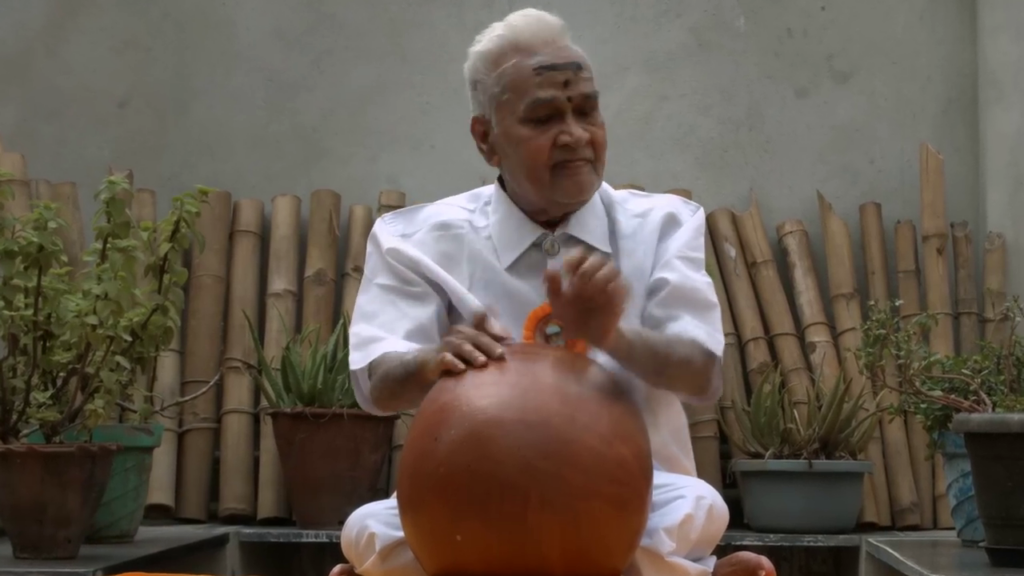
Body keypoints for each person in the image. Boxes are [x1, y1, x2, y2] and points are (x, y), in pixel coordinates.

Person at [330, 8, 775, 576]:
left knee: (694, 504)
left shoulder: (663, 226)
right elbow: (375, 385)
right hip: (474, 500)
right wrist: (430, 361)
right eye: (543, 118)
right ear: (486, 139)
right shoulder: (414, 241)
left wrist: (611, 335)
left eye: (587, 110)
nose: (575, 135)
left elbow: (703, 376)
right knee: (371, 526)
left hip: (630, 497)